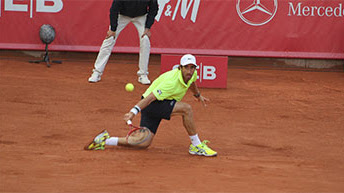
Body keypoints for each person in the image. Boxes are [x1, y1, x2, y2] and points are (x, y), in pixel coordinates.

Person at [85, 54, 217, 157]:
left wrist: (198, 95)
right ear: (180, 68)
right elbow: (150, 98)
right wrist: (133, 112)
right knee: (186, 109)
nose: (189, 70)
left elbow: (192, 83)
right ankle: (196, 145)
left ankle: (105, 140)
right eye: (186, 67)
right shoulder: (171, 82)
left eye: (192, 67)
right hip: (153, 104)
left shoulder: (192, 75)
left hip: (159, 104)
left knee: (143, 142)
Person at [88, 0, 159, 85]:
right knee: (110, 38)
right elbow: (114, 10)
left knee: (145, 39)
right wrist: (113, 29)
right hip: (122, 15)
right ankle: (97, 72)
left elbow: (153, 9)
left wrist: (147, 28)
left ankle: (143, 74)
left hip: (141, 16)